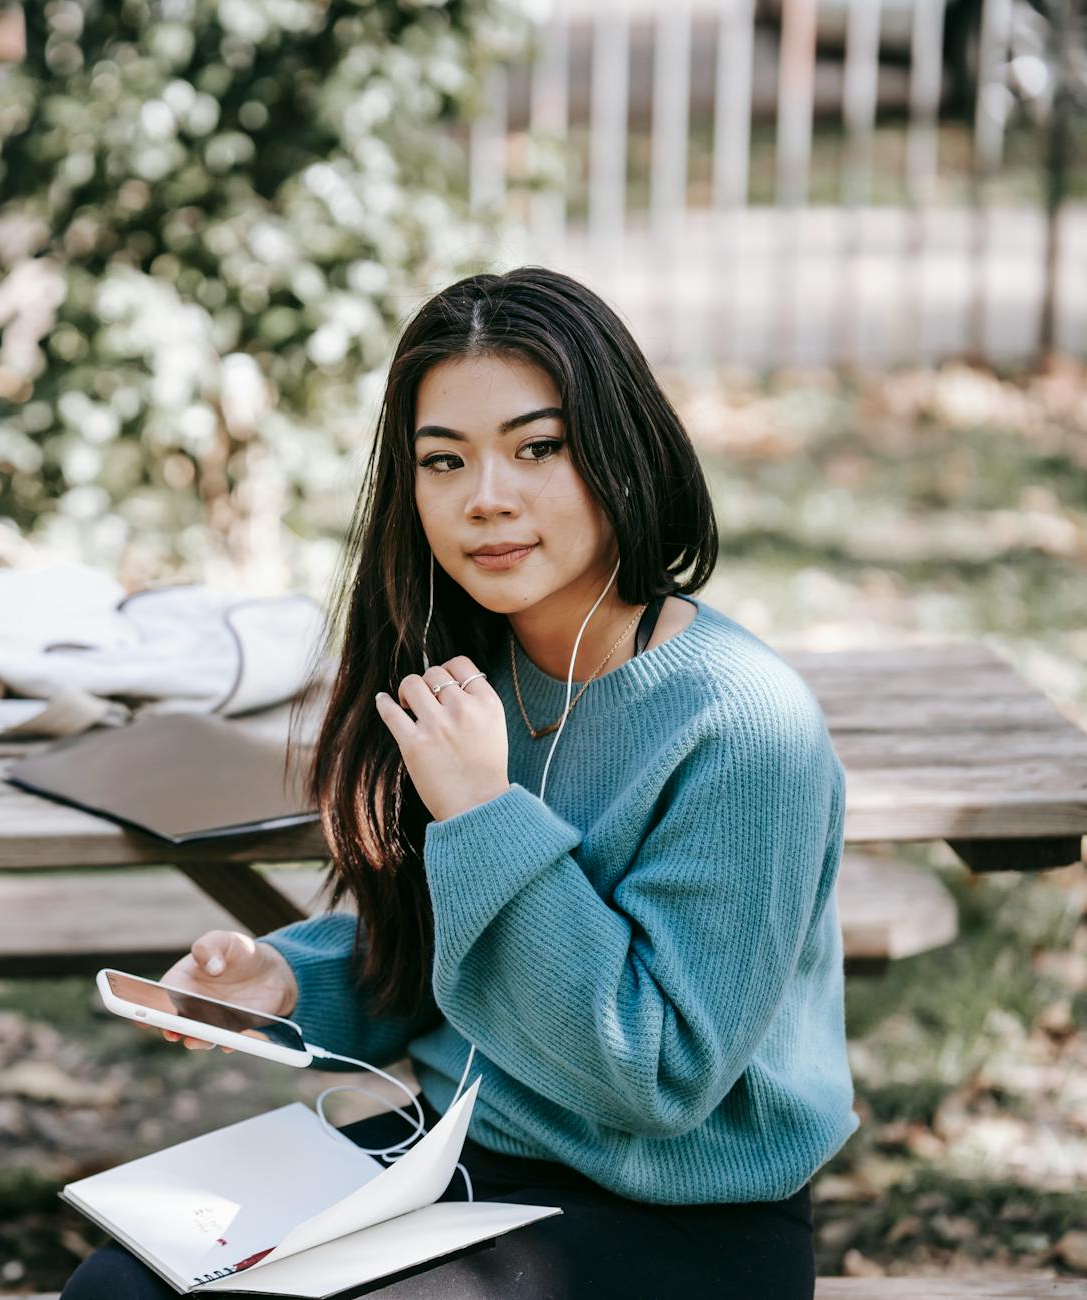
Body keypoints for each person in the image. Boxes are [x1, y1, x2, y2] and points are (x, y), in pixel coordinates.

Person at [63, 267, 854, 1300]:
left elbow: (657, 1074)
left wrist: (486, 812)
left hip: (681, 1216)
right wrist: (296, 983)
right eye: (445, 461)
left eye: (539, 448)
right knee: (116, 1292)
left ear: (623, 450)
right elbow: (456, 941)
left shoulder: (742, 725)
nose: (488, 498)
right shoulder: (459, 668)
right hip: (459, 1159)